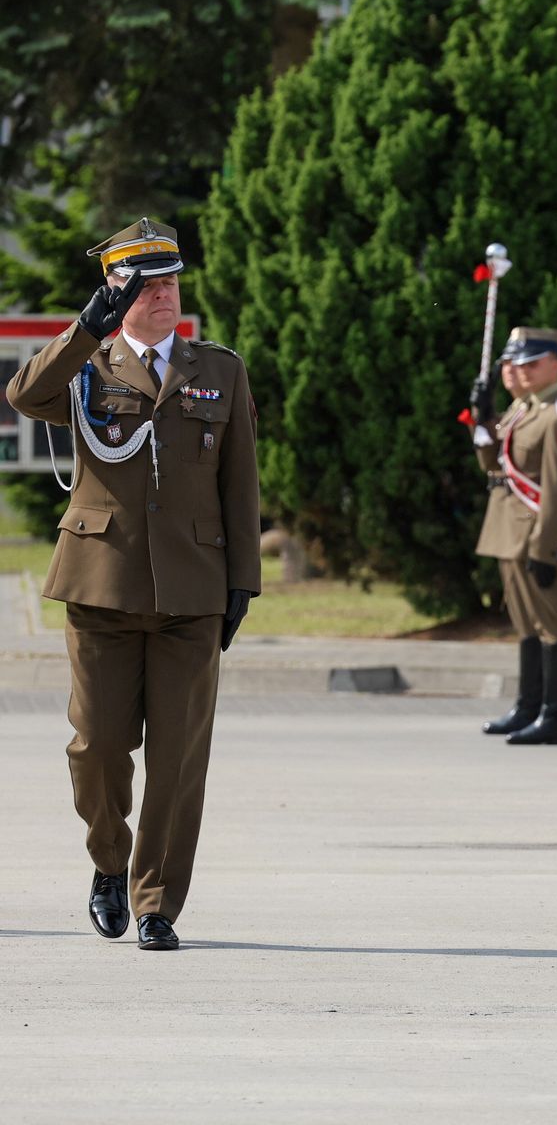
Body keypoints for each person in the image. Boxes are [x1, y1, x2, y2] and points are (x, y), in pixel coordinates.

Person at [5, 217, 261, 952]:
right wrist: (86, 329)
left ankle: (156, 904)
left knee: (179, 758)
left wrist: (242, 582)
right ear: (116, 292)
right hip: (101, 586)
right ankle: (109, 866)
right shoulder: (87, 365)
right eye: (147, 285)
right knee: (97, 748)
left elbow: (240, 484)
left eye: (172, 282)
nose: (163, 295)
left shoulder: (219, 370)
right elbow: (24, 395)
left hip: (192, 591)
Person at [471, 327, 557, 745]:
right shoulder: (522, 409)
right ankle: (529, 705)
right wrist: (483, 422)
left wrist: (544, 548)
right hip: (509, 531)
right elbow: (495, 468)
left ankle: (555, 716)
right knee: (526, 624)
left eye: (528, 363)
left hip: (540, 536)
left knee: (554, 626)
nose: (516, 372)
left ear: (554, 364)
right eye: (511, 364)